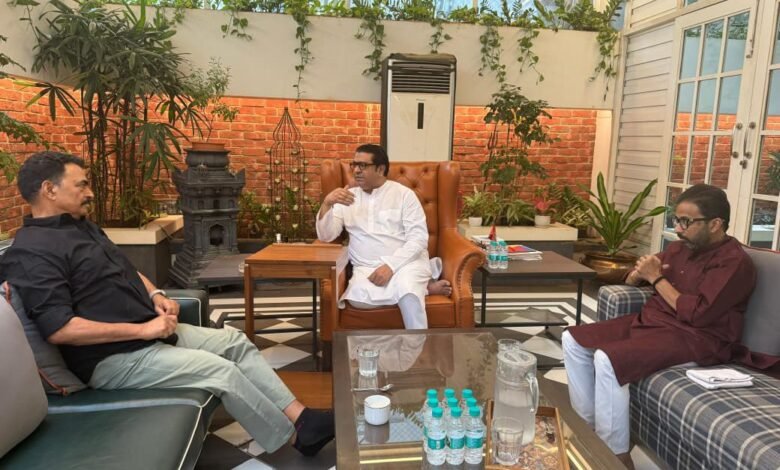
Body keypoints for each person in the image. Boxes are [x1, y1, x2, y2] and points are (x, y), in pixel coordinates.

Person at [0, 151, 334, 457]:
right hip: (112, 359)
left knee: (234, 341)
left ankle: (302, 417)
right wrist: (143, 330)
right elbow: (60, 329)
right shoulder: (32, 252)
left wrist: (156, 295)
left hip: (151, 335)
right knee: (220, 371)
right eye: (81, 185)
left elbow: (126, 270)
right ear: (49, 189)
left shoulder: (81, 226)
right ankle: (295, 438)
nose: (89, 192)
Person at [562, 184, 774, 468]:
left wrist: (656, 279)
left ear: (715, 224)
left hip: (699, 338)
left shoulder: (734, 263)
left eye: (686, 222)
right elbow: (636, 276)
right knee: (573, 340)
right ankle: (586, 430)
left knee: (607, 359)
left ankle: (615, 456)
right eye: (677, 220)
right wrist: (637, 274)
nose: (678, 228)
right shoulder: (679, 248)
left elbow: (698, 315)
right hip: (654, 323)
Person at [316, 144, 449, 329]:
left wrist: (390, 267)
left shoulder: (404, 195)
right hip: (366, 268)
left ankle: (419, 346)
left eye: (362, 165)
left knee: (408, 294)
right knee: (358, 300)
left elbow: (418, 238)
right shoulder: (347, 198)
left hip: (405, 264)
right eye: (354, 165)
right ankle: (425, 288)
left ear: (380, 169)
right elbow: (326, 236)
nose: (356, 170)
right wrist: (327, 204)